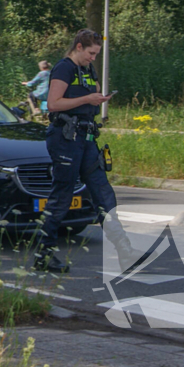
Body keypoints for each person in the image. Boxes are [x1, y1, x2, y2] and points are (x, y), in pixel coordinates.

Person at [35, 29, 136, 273]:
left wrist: (98, 99)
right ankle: (44, 254)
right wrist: (86, 100)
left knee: (103, 193)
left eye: (97, 54)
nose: (94, 58)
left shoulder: (88, 69)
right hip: (65, 138)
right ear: (79, 47)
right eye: (91, 53)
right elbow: (53, 103)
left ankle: (125, 251)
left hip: (87, 138)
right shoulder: (63, 68)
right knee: (62, 195)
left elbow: (92, 95)